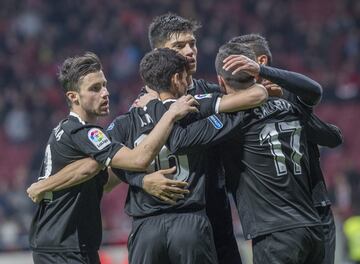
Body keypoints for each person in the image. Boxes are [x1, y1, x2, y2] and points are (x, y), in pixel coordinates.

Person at [28, 52, 198, 264]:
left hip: (69, 243)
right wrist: (170, 114)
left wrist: (141, 180)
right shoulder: (82, 132)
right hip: (63, 246)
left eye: (104, 85)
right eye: (95, 88)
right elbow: (138, 160)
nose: (105, 93)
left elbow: (101, 177)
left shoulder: (73, 132)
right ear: (73, 97)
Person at [107, 48, 268, 264]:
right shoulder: (195, 113)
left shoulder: (125, 122)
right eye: (185, 78)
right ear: (176, 79)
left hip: (145, 227)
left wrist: (139, 180)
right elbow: (243, 108)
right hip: (189, 222)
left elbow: (113, 165)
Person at [227, 33, 342, 264]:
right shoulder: (234, 105)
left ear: (260, 62)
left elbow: (332, 136)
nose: (234, 70)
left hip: (313, 210)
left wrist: (290, 108)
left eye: (238, 61)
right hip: (275, 221)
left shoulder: (289, 95)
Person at [144, 13, 242, 264]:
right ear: (158, 53)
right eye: (179, 46)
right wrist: (141, 180)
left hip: (216, 212)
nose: (190, 51)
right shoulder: (141, 107)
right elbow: (117, 161)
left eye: (192, 43)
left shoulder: (212, 93)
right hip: (169, 220)